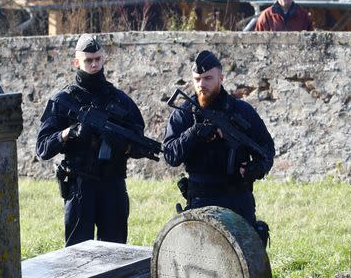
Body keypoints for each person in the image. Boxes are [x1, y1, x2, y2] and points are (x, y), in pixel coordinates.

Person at [36, 34, 147, 246]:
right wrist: (68, 133)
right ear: (76, 62)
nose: (94, 64)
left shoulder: (120, 99)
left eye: (98, 59)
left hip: (112, 185)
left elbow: (140, 144)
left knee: (115, 253)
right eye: (88, 60)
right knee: (78, 255)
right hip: (80, 187)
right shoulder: (63, 100)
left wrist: (122, 144)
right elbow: (42, 148)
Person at [163, 50, 274, 238]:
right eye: (197, 79)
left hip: (237, 197)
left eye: (208, 78)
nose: (201, 84)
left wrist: (256, 169)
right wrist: (194, 133)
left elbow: (266, 149)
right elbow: (170, 155)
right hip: (200, 197)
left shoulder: (241, 111)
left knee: (246, 255)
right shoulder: (184, 113)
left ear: (221, 78)